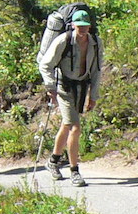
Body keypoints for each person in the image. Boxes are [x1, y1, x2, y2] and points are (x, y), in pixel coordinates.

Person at [38, 10, 103, 187]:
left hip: (82, 87)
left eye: (85, 26)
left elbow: (97, 70)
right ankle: (75, 171)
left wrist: (93, 96)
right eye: (79, 25)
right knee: (75, 127)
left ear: (90, 26)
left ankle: (53, 161)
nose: (82, 29)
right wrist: (51, 87)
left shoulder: (96, 43)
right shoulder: (63, 41)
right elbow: (45, 65)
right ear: (73, 25)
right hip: (64, 88)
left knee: (67, 124)